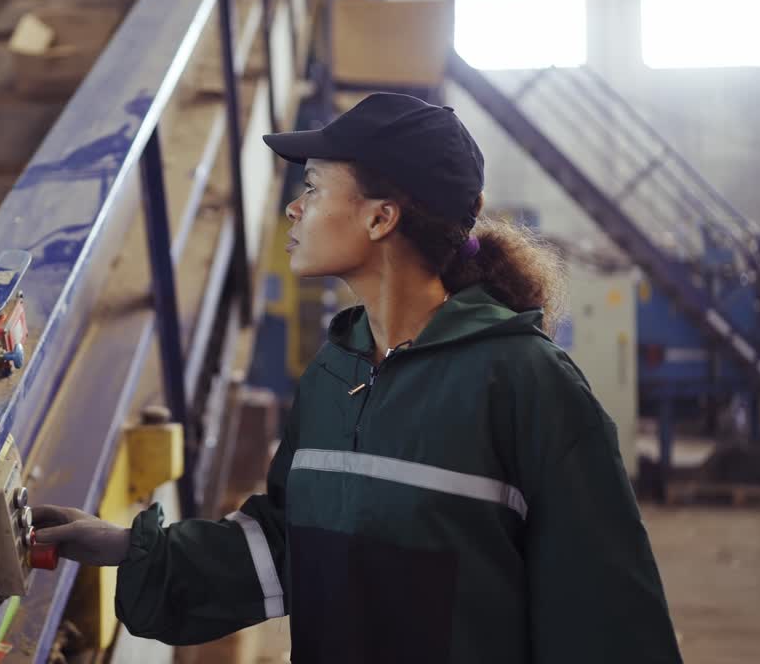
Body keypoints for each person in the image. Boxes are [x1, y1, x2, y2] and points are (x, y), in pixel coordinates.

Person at [33, 93, 683, 663]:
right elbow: (291, 547)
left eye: (313, 186)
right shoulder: (333, 375)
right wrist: (123, 545)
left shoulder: (526, 385)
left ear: (381, 216)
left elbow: (608, 621)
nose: (294, 208)